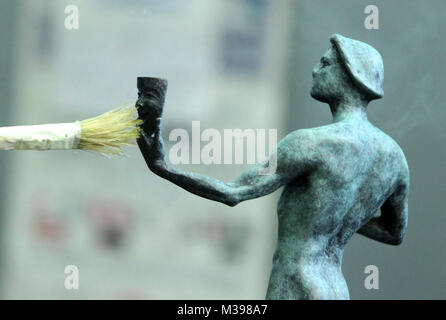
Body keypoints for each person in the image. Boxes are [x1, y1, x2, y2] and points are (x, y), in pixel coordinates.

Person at [136, 34, 409, 300]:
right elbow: (394, 232)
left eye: (325, 64)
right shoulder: (394, 159)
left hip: (296, 284)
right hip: (337, 289)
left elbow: (234, 192)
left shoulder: (309, 144)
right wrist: (341, 212)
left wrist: (163, 167)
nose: (315, 70)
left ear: (351, 74)